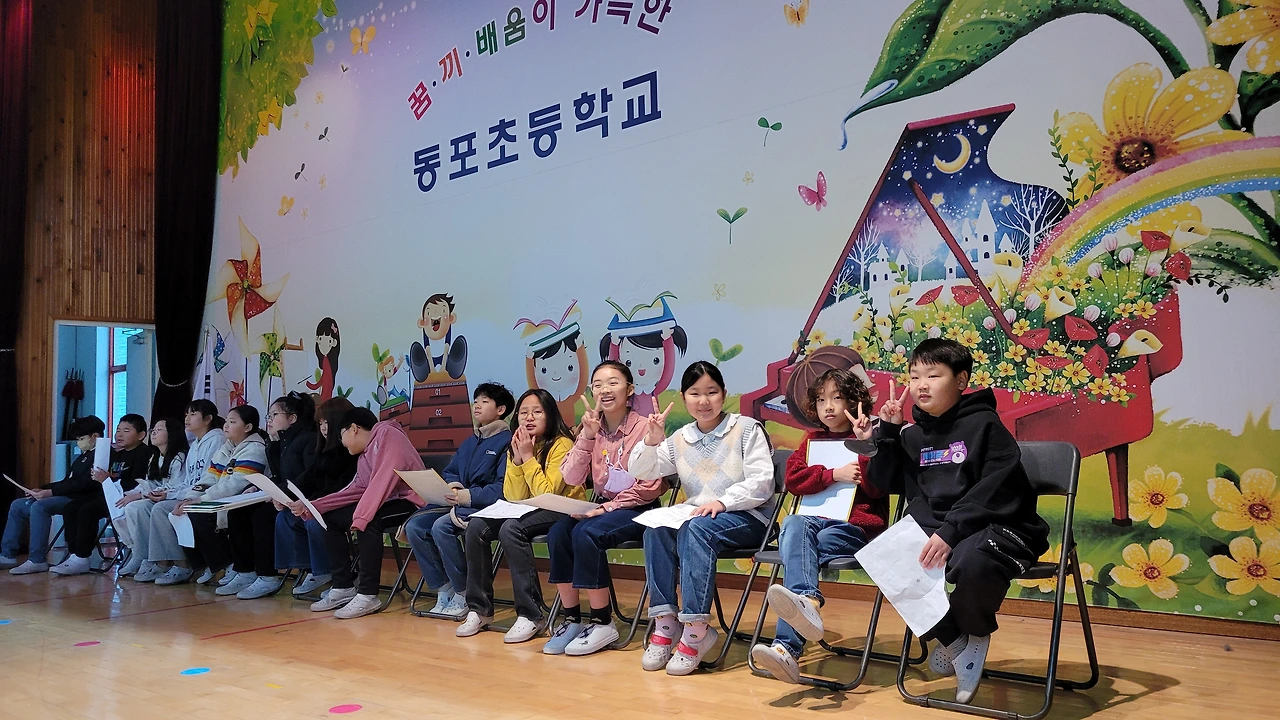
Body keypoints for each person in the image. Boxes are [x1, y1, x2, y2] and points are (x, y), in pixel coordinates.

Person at [866, 338, 1049, 704]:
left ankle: (975, 630)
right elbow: (883, 483)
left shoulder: (985, 425)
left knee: (972, 560)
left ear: (961, 380)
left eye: (933, 375)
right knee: (886, 556)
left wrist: (951, 530)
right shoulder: (913, 434)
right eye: (914, 376)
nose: (921, 385)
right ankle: (958, 641)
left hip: (1001, 525)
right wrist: (887, 432)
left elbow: (996, 489)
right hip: (940, 529)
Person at [630, 361, 776, 676]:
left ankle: (696, 630)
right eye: (695, 393)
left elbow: (763, 481)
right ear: (684, 397)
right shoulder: (680, 438)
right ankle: (666, 624)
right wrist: (652, 440)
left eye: (711, 392)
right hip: (699, 519)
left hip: (749, 517)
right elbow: (642, 471)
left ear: (724, 393)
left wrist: (723, 502)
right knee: (656, 529)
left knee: (696, 530)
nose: (704, 401)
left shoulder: (746, 429)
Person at [750, 367, 889, 683]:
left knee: (799, 551)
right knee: (793, 524)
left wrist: (866, 446)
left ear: (853, 402)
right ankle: (807, 603)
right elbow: (793, 480)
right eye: (822, 400)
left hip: (852, 529)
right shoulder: (812, 440)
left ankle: (787, 646)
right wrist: (832, 475)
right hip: (812, 523)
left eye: (837, 399)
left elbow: (878, 489)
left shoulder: (867, 438)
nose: (828, 407)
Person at [543, 360, 667, 656]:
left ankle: (602, 621)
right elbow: (571, 477)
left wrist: (608, 508)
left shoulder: (644, 427)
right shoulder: (591, 428)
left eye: (613, 383)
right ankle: (572, 619)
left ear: (630, 389)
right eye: (597, 385)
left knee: (586, 533)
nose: (605, 390)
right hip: (602, 506)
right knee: (559, 532)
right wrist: (586, 436)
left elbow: (649, 487)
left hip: (639, 507)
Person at [455, 388, 584, 643]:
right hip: (527, 509)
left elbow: (547, 493)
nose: (529, 418)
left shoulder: (562, 444)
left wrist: (526, 458)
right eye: (524, 413)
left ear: (550, 415)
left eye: (537, 412)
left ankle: (530, 614)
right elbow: (513, 495)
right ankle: (479, 609)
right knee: (476, 526)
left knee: (511, 529)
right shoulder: (518, 443)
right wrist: (516, 459)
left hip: (562, 509)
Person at [403, 382, 514, 618]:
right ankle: (445, 588)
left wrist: (466, 496)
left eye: (485, 401)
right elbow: (452, 471)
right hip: (457, 502)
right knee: (415, 526)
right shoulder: (471, 440)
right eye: (476, 401)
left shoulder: (507, 442)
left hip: (484, 507)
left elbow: (502, 488)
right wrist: (453, 485)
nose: (477, 405)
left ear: (501, 409)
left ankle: (464, 592)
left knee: (441, 527)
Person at [303, 407, 426, 619]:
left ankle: (368, 594)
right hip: (387, 501)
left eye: (341, 435)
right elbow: (357, 489)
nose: (341, 442)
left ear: (354, 429)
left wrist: (362, 516)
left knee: (370, 521)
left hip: (410, 501)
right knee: (330, 519)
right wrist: (315, 506)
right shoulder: (365, 455)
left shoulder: (389, 434)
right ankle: (343, 586)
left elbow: (384, 479)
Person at [218, 393, 317, 599]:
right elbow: (279, 476)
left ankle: (267, 576)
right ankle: (245, 571)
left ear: (293, 418)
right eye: (268, 415)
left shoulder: (308, 439)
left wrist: (277, 492)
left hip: (304, 498)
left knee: (262, 517)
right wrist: (259, 488)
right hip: (284, 496)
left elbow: (309, 476)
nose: (269, 420)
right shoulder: (279, 442)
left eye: (274, 415)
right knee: (238, 512)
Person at [164, 405, 269, 586]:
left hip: (238, 502)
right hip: (219, 500)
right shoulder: (226, 448)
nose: (226, 425)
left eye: (232, 422)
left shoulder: (255, 448)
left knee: (199, 514)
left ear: (248, 427)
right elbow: (210, 477)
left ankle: (228, 564)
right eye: (226, 421)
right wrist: (190, 497)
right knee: (180, 514)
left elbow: (234, 485)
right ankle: (208, 564)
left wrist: (202, 500)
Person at [274, 397, 357, 598]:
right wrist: (283, 495)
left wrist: (310, 504)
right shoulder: (324, 450)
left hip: (344, 504)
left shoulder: (351, 451)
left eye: (327, 422)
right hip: (321, 503)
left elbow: (343, 487)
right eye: (320, 423)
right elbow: (309, 478)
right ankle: (312, 569)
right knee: (285, 517)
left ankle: (329, 571)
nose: (323, 427)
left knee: (314, 522)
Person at [49, 414, 151, 576]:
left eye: (126, 431)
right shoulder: (118, 454)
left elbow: (134, 483)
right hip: (108, 494)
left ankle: (82, 557)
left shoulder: (145, 454)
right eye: (118, 430)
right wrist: (103, 477)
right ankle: (73, 554)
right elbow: (113, 477)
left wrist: (108, 479)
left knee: (88, 510)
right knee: (71, 507)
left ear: (141, 435)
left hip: (124, 497)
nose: (119, 435)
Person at [2, 416, 105, 574]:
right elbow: (68, 482)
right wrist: (42, 489)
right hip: (67, 494)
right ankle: (7, 554)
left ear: (95, 436)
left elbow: (86, 484)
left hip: (80, 499)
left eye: (81, 438)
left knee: (40, 507)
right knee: (18, 505)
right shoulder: (83, 456)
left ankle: (37, 559)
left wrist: (50, 492)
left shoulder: (102, 456)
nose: (79, 442)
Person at [140, 400, 225, 584]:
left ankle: (182, 564)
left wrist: (179, 497)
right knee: (148, 506)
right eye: (186, 414)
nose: (187, 418)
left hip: (208, 496)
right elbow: (188, 482)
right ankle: (153, 560)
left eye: (193, 414)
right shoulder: (195, 445)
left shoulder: (217, 440)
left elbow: (210, 480)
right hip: (191, 495)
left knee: (162, 510)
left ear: (208, 419)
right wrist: (166, 493)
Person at [115, 417, 189, 578]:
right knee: (132, 506)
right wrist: (132, 494)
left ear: (172, 434)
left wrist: (143, 495)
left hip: (175, 497)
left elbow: (179, 485)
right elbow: (149, 483)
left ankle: (161, 560)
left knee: (150, 508)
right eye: (153, 429)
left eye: (159, 429)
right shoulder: (155, 457)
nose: (154, 432)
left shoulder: (180, 457)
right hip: (160, 496)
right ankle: (141, 554)